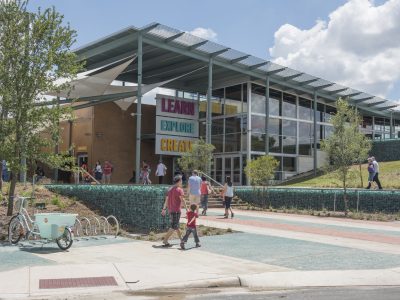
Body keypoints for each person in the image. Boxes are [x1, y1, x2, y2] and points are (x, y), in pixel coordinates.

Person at [161, 175, 188, 247]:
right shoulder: (179, 190)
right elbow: (183, 200)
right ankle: (165, 240)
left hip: (171, 211)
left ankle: (182, 240)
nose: (182, 182)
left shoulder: (169, 189)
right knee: (174, 226)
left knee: (176, 226)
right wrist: (187, 210)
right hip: (176, 211)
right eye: (181, 180)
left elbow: (166, 201)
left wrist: (164, 209)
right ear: (179, 181)